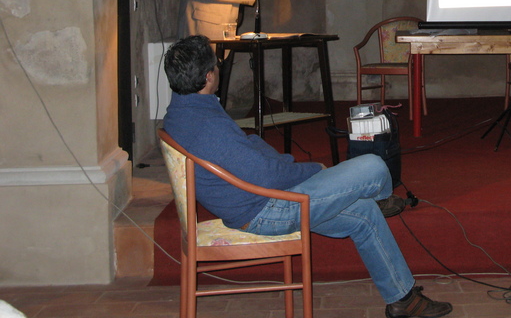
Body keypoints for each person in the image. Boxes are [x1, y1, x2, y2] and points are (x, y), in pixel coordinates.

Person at [162, 35, 453, 318]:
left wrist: (284, 165)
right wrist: (314, 170)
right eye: (216, 65)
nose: (219, 69)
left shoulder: (181, 112)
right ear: (208, 77)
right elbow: (267, 176)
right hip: (265, 209)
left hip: (253, 199)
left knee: (364, 214)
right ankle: (379, 197)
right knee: (374, 166)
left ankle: (403, 300)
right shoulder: (207, 126)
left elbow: (251, 147)